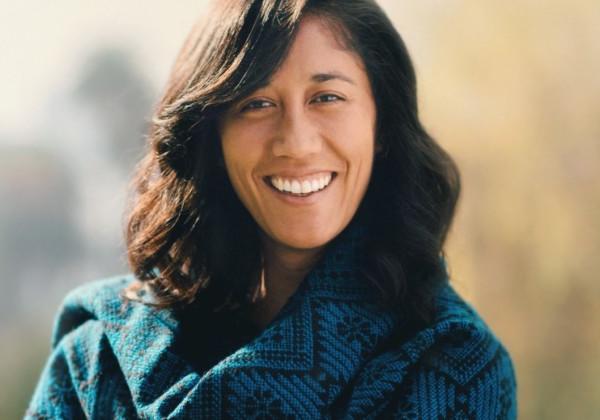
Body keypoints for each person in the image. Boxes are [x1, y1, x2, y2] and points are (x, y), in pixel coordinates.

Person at [26, 0, 517, 418]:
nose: (296, 143)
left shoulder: (455, 367)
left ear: (382, 126)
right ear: (211, 136)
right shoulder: (96, 360)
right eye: (256, 104)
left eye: (327, 97)